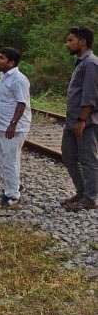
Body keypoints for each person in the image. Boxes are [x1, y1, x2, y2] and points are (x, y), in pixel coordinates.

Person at [61, 27, 98, 212]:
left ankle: (90, 198)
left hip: (84, 121)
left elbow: (90, 95)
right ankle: (82, 192)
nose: (67, 44)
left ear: (82, 42)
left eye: (70, 40)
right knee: (68, 155)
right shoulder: (81, 62)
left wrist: (82, 120)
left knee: (88, 159)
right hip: (72, 120)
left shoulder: (91, 63)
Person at [0, 47, 31, 207]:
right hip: (1, 127)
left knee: (10, 160)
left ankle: (12, 195)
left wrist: (13, 124)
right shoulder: (4, 77)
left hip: (13, 128)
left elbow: (22, 103)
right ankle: (14, 183)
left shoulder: (18, 79)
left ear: (11, 62)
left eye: (2, 57)